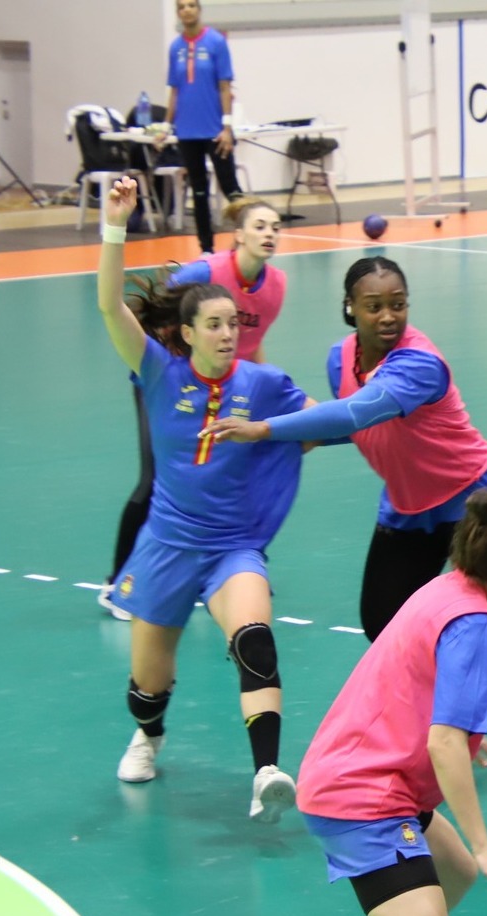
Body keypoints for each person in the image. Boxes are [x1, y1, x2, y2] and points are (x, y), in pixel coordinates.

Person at [202, 257, 487, 773]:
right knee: (381, 620)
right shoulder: (341, 357)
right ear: (350, 308)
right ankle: (444, 711)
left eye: (398, 304)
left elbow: (360, 411)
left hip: (474, 503)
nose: (388, 316)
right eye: (374, 307)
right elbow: (354, 427)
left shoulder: (419, 364)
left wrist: (264, 429)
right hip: (407, 504)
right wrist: (297, 441)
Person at [95, 177, 311, 822]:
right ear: (185, 332)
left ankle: (267, 769)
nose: (225, 334)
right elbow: (110, 307)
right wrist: (114, 227)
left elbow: (322, 423)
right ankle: (149, 735)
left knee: (255, 638)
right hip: (166, 544)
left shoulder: (264, 384)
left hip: (230, 548)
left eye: (231, 325)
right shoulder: (159, 373)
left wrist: (374, 407)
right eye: (212, 325)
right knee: (146, 686)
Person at [298, 492, 487, 916]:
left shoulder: (445, 591)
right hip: (363, 796)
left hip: (367, 775)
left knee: (454, 874)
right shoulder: (472, 624)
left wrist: (466, 736)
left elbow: (416, 683)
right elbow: (444, 743)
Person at [98, 197, 288, 622]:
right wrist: (176, 374)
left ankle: (227, 570)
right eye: (259, 225)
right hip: (171, 386)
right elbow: (153, 318)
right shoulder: (205, 274)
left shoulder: (275, 287)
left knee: (230, 475)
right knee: (157, 480)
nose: (269, 233)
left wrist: (263, 391)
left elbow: (249, 350)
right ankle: (118, 581)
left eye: (275, 226)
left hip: (220, 389)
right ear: (238, 233)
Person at [159, 0, 245, 255]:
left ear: (199, 9)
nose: (187, 10)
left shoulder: (216, 42)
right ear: (178, 13)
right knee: (198, 191)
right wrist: (166, 125)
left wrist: (227, 126)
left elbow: (225, 87)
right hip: (187, 133)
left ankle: (250, 236)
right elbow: (174, 91)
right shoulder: (175, 48)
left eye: (191, 5)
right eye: (182, 6)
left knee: (230, 187)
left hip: (215, 131)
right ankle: (206, 248)